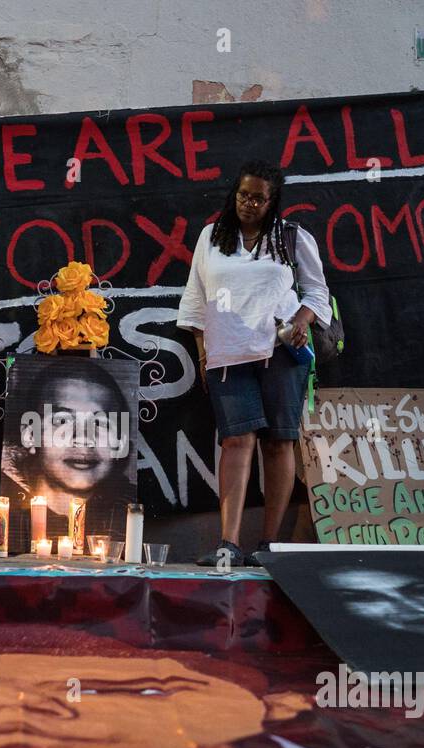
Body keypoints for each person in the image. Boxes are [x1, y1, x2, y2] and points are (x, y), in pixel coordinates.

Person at [177, 159, 333, 566]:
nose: (249, 204)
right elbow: (195, 299)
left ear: (272, 201)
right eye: (243, 195)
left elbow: (317, 294)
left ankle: (269, 544)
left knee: (279, 442)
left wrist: (301, 320)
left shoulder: (291, 237)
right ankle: (228, 544)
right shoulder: (212, 236)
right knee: (235, 441)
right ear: (235, 194)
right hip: (227, 354)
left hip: (281, 352)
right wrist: (202, 350)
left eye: (259, 199)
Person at [1, 360, 136, 538]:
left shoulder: (132, 512)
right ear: (30, 435)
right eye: (62, 421)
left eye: (99, 422)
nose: (82, 438)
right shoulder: (5, 510)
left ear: (120, 442)